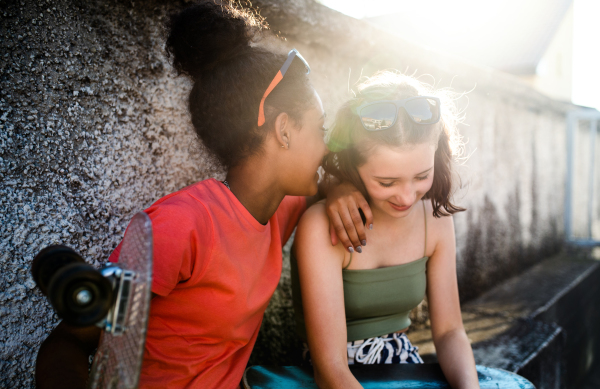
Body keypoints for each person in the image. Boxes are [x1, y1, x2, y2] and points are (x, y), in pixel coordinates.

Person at [35, 2, 369, 388]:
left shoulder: (278, 207)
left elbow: (328, 181)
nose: (326, 147)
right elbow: (65, 345)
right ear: (284, 130)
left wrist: (341, 187)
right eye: (320, 128)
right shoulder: (183, 225)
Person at [292, 71, 481, 388]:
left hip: (404, 372)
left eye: (422, 176)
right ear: (354, 165)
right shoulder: (322, 226)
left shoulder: (434, 221)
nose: (407, 196)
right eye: (387, 182)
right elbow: (331, 369)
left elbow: (450, 331)